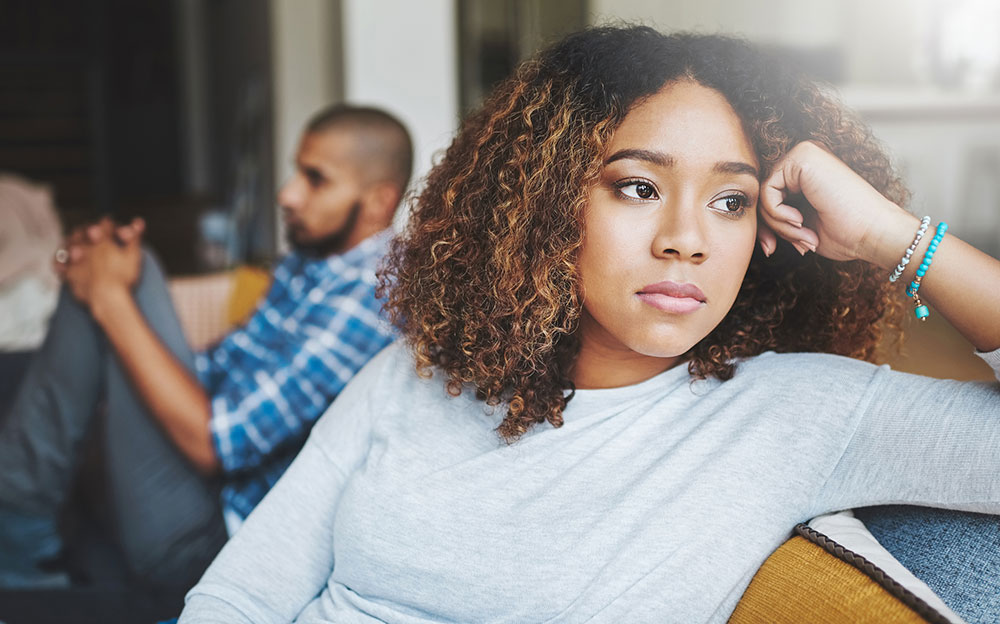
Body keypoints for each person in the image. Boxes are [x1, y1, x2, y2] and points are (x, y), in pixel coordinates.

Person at [179, 27, 1000, 623]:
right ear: (544, 207)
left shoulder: (801, 416)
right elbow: (240, 596)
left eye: (731, 201)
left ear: (766, 234)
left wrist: (899, 238)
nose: (685, 237)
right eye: (638, 186)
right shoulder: (414, 372)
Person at [0, 104, 413, 590]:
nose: (287, 194)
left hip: (216, 537)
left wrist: (112, 298)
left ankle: (16, 538)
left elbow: (217, 445)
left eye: (315, 179)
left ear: (377, 202)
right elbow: (217, 367)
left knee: (126, 278)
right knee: (117, 262)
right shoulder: (317, 263)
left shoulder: (369, 296)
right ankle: (17, 530)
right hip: (205, 485)